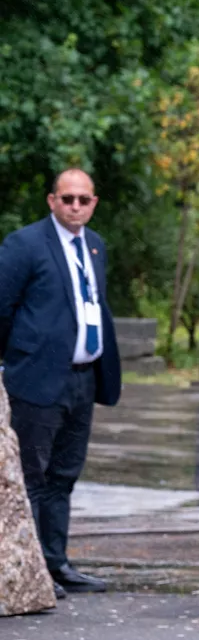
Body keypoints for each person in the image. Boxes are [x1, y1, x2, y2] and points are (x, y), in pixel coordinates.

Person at [0, 169, 121, 597]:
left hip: (81, 379)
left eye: (83, 199)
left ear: (94, 203)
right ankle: (31, 571)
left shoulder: (94, 245)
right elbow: (3, 306)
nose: (75, 206)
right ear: (52, 200)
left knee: (64, 476)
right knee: (33, 476)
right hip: (36, 379)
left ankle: (56, 562)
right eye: (67, 198)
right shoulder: (25, 245)